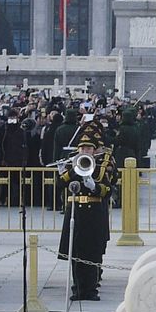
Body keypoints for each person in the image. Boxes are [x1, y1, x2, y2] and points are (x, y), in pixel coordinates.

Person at [58, 121, 117, 302]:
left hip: (93, 212)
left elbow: (108, 190)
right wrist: (64, 172)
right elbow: (61, 184)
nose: (85, 151)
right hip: (76, 211)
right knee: (76, 251)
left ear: (94, 150)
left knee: (91, 251)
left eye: (88, 149)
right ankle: (77, 288)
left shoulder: (100, 166)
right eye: (82, 148)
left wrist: (94, 186)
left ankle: (90, 290)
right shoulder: (72, 164)